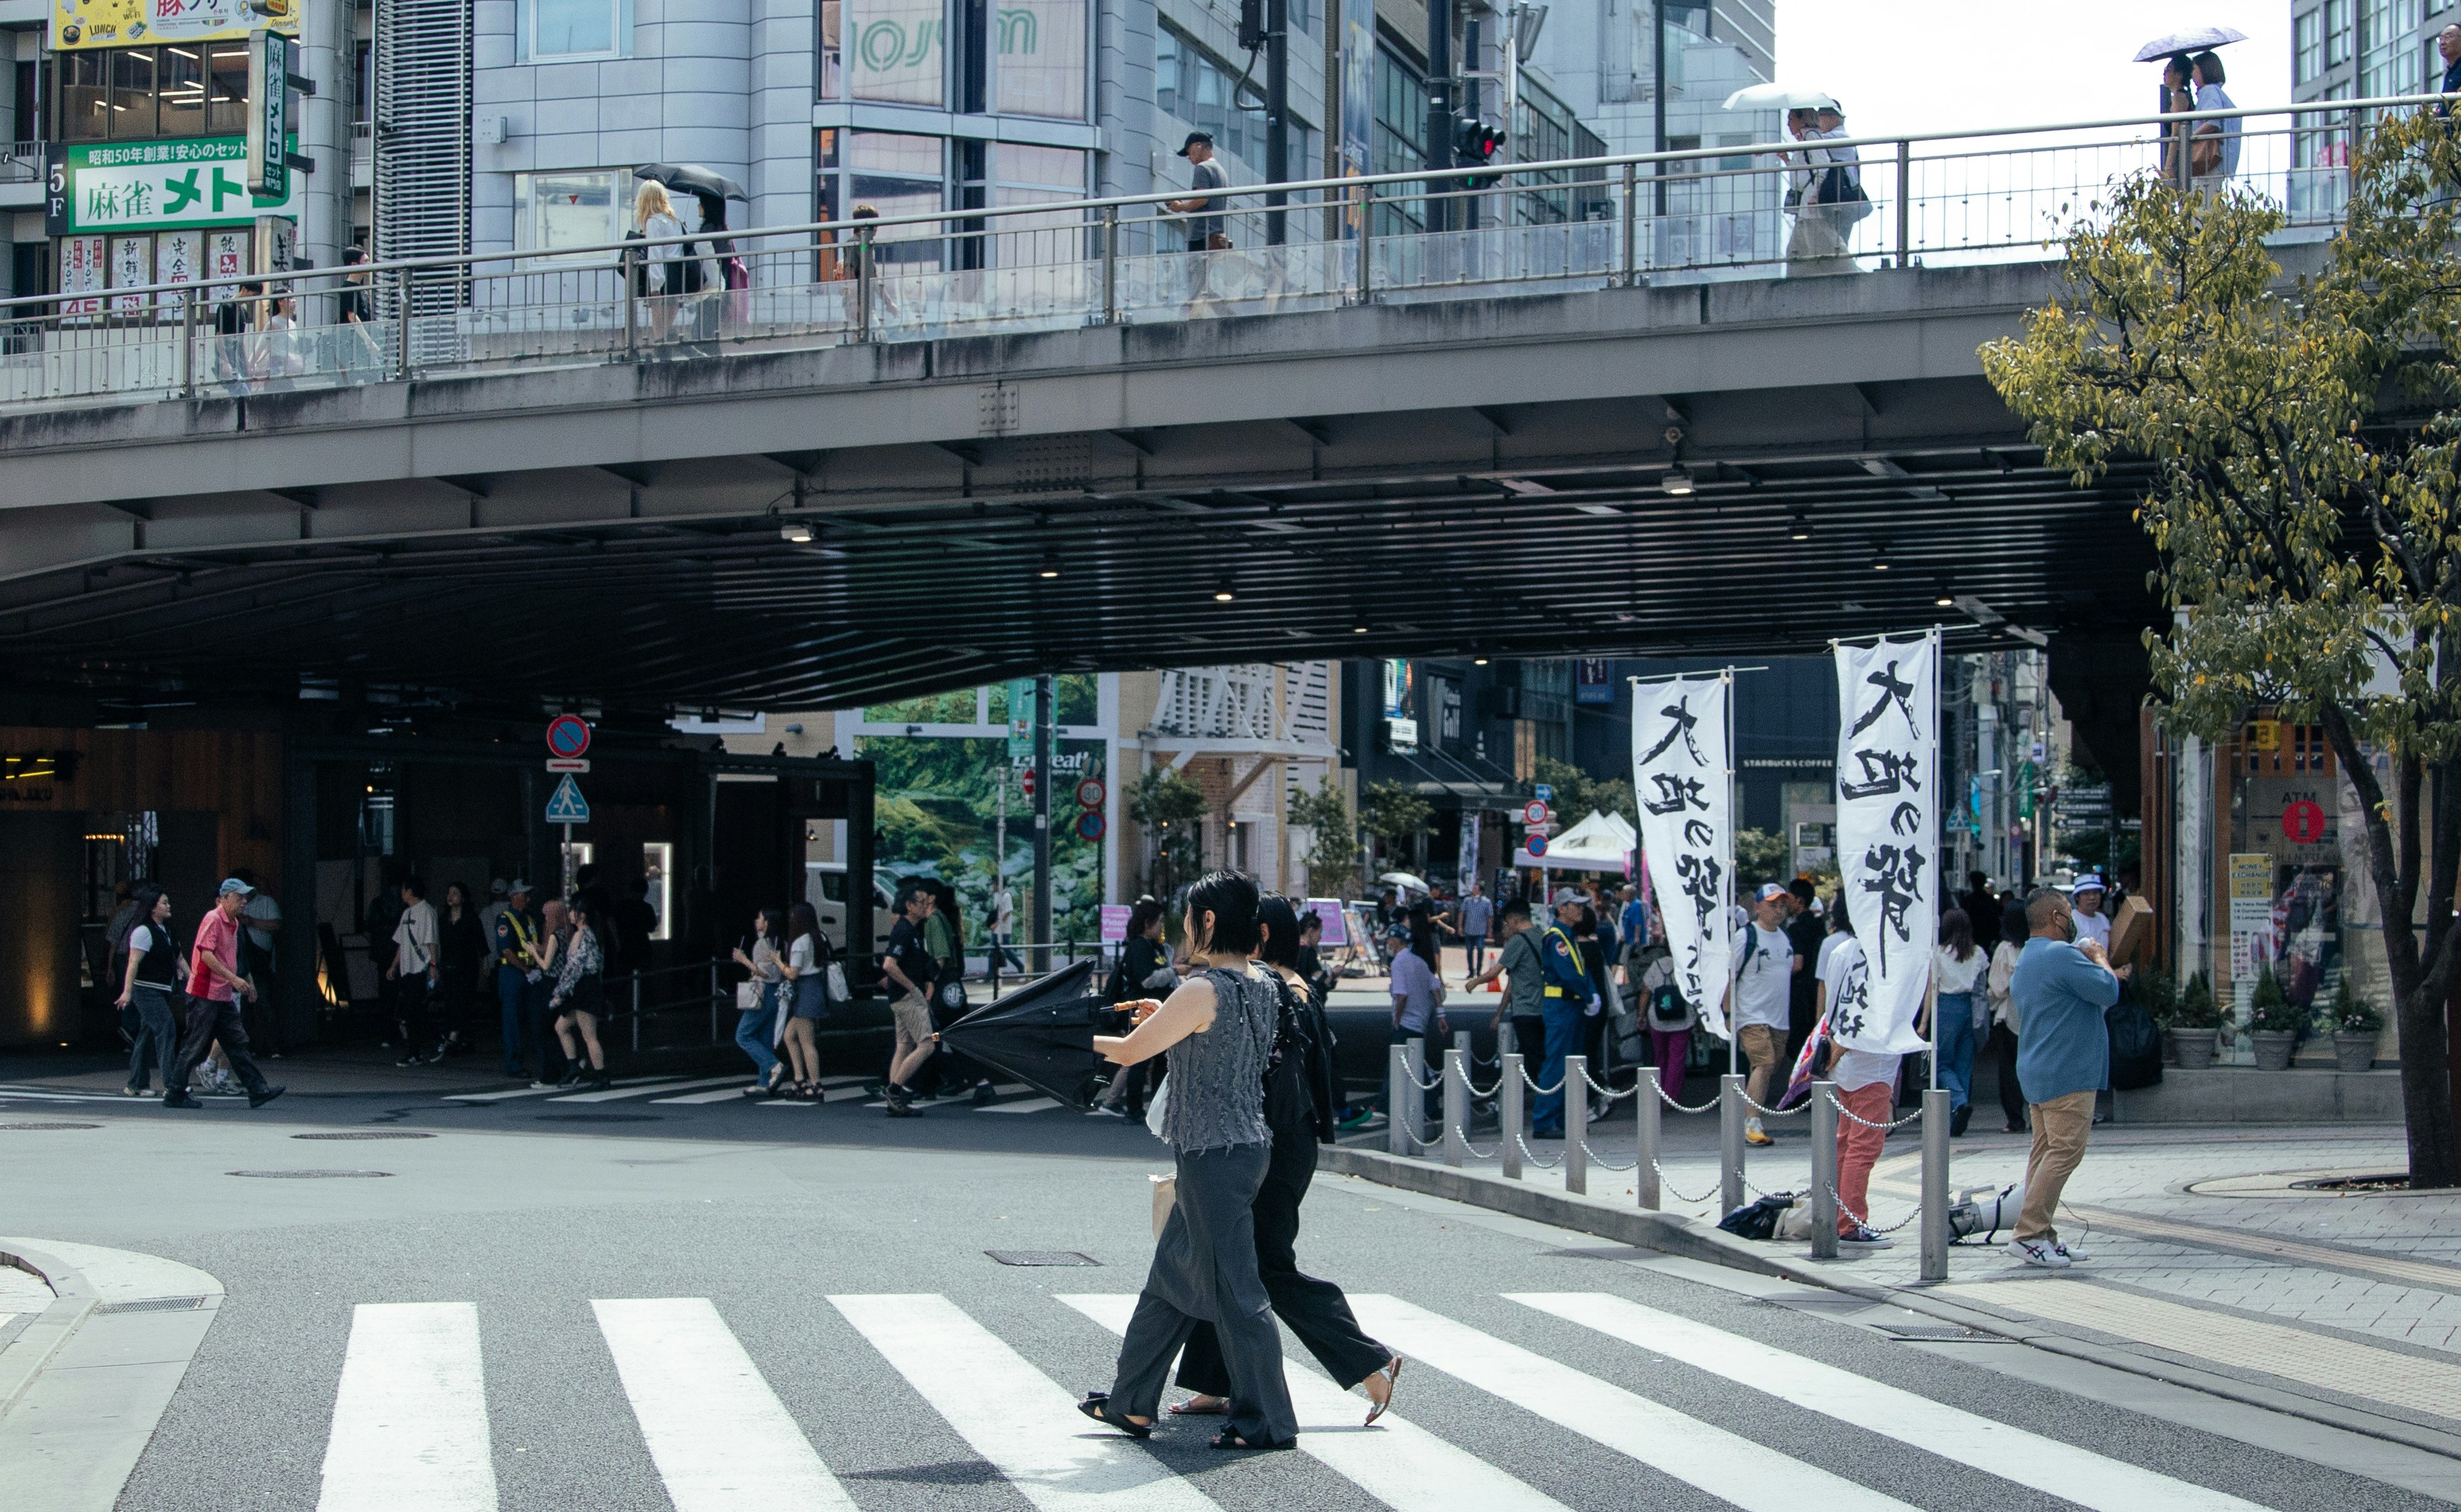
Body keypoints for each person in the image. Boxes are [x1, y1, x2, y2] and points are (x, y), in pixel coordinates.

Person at [1079, 870, 1299, 1453]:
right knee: (1170, 1278)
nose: (1183, 926)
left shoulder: (1201, 989)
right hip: (1241, 1147)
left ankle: (1268, 1421)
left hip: (1213, 1155)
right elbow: (1217, 1040)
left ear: (1206, 921)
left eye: (1189, 916)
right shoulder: (1262, 982)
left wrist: (1078, 1037)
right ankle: (1129, 1403)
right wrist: (1166, 1011)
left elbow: (1129, 1050)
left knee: (1236, 1290)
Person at [1171, 896, 1402, 1425]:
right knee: (1226, 1257)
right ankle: (1211, 1382)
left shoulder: (1271, 990)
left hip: (1269, 1143)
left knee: (1264, 1265)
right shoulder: (1290, 985)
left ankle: (1367, 1359)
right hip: (1282, 1140)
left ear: (1262, 932)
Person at [2007, 886, 2122, 1267]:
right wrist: (2099, 956)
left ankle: (2043, 1233)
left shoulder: (2029, 956)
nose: (2072, 919)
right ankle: (2029, 1232)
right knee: (2064, 1153)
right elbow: (2108, 990)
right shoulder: (2060, 955)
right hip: (2067, 1071)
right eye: (2069, 912)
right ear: (2057, 917)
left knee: (2044, 1151)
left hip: (2039, 1068)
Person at [1814, 896, 1896, 1249]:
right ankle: (1849, 1222)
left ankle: (1838, 1215)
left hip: (1844, 1059)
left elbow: (1833, 1000)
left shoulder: (1841, 949)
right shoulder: (1884, 954)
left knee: (1846, 1143)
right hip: (1871, 1059)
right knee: (1864, 1146)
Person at [164, 879, 284, 1110]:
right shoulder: (213, 919)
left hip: (221, 993)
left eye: (245, 897)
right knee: (195, 1044)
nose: (244, 902)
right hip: (205, 993)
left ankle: (257, 1089)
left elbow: (236, 959)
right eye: (240, 897)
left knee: (237, 1042)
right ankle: (175, 1091)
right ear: (226, 897)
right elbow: (207, 956)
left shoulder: (234, 923)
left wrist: (247, 982)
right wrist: (235, 980)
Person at [1093, 898, 1174, 1118]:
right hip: (1140, 1010)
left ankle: (1140, 1107)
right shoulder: (1139, 947)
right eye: (1159, 922)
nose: (1162, 927)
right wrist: (1175, 971)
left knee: (1153, 1060)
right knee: (1139, 1060)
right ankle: (1134, 1109)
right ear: (1148, 924)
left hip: (1153, 1009)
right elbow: (1148, 979)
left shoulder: (1154, 947)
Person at [1732, 883, 1799, 1148]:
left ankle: (1748, 1109)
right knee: (1765, 1063)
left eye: (1782, 905)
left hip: (1778, 1018)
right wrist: (1727, 1013)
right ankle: (1752, 1123)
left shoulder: (1784, 937)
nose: (1779, 910)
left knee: (1769, 1067)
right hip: (1751, 1014)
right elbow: (1729, 976)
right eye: (1772, 905)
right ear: (1757, 907)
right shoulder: (1746, 936)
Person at [1529, 890, 1598, 1139]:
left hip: (1571, 1006)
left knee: (1572, 1064)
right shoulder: (1557, 938)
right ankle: (1545, 1121)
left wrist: (1590, 992)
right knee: (1557, 1064)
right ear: (1561, 909)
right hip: (1561, 1007)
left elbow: (1580, 971)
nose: (1580, 909)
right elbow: (1569, 974)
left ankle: (1561, 1118)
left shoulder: (1568, 937)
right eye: (1575, 905)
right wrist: (1590, 996)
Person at [878, 880, 940, 1116]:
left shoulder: (909, 930)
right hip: (907, 997)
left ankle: (894, 1099)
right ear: (909, 905)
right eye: (921, 902)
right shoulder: (905, 931)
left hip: (899, 998)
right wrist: (913, 988)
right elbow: (889, 964)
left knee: (904, 1045)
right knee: (928, 1044)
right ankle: (895, 1090)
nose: (926, 906)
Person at [116, 884, 182, 1097]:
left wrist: (192, 979)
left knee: (146, 1034)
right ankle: (172, 1084)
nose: (169, 905)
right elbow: (133, 963)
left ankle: (136, 1084)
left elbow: (179, 958)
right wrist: (127, 992)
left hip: (162, 989)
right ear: (153, 908)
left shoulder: (167, 930)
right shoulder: (143, 931)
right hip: (146, 990)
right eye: (164, 902)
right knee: (167, 1027)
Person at [1388, 910, 1449, 1132]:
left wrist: (1397, 1019)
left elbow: (1401, 995)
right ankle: (1430, 1105)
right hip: (1420, 1023)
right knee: (1417, 1064)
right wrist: (1440, 1016)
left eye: (1389, 939)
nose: (1387, 942)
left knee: (1398, 1066)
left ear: (1395, 941)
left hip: (1406, 1024)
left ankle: (1386, 1104)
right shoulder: (1420, 962)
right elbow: (1435, 988)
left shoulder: (1398, 963)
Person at [1465, 898, 1544, 1068]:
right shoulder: (1543, 936)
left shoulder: (1518, 941)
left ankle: (1529, 1091)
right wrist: (1499, 1013)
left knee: (1529, 1057)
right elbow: (1512, 984)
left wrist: (1474, 983)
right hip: (1544, 1009)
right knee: (1536, 1053)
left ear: (1515, 919)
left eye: (1507, 923)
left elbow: (1496, 972)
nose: (1505, 928)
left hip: (1525, 1009)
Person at [1931, 907, 1986, 1137]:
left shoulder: (1939, 953)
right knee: (1964, 1063)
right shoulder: (1978, 953)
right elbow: (1982, 985)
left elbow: (1933, 987)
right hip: (1969, 1007)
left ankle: (1959, 1101)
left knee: (1942, 1062)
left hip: (1946, 1006)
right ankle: (1955, 1120)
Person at [548, 896, 612, 1091]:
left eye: (573, 911)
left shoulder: (582, 935)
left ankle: (601, 1075)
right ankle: (574, 1066)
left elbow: (573, 969)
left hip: (584, 989)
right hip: (586, 988)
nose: (570, 915)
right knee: (561, 1027)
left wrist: (559, 993)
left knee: (589, 1035)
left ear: (582, 915)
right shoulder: (590, 935)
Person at [1780, 108, 1849, 277]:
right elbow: (1801, 174)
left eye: (1791, 119)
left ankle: (1847, 272)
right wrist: (1787, 160)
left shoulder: (1811, 136)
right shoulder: (1804, 139)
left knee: (1820, 244)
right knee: (1800, 247)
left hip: (1811, 202)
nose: (1788, 123)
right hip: (1806, 202)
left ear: (1801, 119)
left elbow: (1823, 166)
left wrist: (1815, 194)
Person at [1632, 916, 1692, 1105]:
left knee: (1660, 1057)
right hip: (1683, 1018)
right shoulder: (1688, 966)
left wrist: (1641, 1016)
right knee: (1677, 1058)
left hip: (1658, 1018)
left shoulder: (1656, 966)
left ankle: (1658, 1095)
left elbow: (1645, 993)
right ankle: (1671, 1097)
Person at [731, 906, 790, 1097]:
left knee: (743, 1035)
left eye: (760, 918)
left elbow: (766, 973)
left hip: (763, 993)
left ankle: (774, 1066)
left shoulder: (762, 944)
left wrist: (744, 961)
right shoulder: (782, 942)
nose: (757, 921)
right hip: (777, 995)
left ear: (766, 924)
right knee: (765, 1038)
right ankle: (764, 1082)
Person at [1985, 896, 2030, 1134]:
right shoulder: (2040, 947)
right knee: (2033, 1067)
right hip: (2035, 1016)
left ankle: (2015, 1120)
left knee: (2009, 1071)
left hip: (2008, 1015)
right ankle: (2037, 1116)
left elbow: (1998, 986)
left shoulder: (2005, 950)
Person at [778, 900, 830, 1098]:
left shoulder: (800, 942)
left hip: (805, 991)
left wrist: (778, 962)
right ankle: (799, 1079)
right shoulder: (817, 938)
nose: (790, 920)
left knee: (807, 1042)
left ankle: (816, 1084)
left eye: (793, 917)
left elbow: (792, 973)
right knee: (789, 1036)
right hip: (814, 988)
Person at [388, 875, 441, 1067]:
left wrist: (433, 967)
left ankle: (417, 1051)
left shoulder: (427, 911)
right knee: (413, 1011)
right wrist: (394, 966)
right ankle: (434, 1041)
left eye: (403, 890)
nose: (402, 893)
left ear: (410, 892)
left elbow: (431, 941)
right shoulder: (407, 913)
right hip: (407, 969)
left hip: (422, 967)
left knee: (414, 1010)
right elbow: (403, 942)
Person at [493, 880, 542, 1081]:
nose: (528, 898)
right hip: (513, 974)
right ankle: (514, 1065)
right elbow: (507, 951)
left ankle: (545, 1060)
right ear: (514, 897)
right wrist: (527, 970)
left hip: (530, 972)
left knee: (536, 1017)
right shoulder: (505, 920)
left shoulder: (529, 918)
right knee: (512, 1021)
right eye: (525, 894)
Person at [630, 180, 686, 341]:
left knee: (659, 328)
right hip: (677, 273)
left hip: (663, 274)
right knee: (668, 324)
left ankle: (661, 349)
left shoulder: (654, 222)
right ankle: (673, 342)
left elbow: (655, 255)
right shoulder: (674, 221)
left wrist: (655, 286)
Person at [1166, 131, 1232, 256]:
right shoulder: (1220, 170)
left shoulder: (1202, 168)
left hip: (1201, 236)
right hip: (1216, 237)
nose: (1189, 157)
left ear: (1198, 146)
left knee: (1196, 274)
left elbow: (1202, 199)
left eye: (1189, 152)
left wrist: (1181, 207)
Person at [1783, 878, 1826, 1065]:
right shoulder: (1820, 926)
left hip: (1800, 992)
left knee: (1797, 1043)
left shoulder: (1796, 928)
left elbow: (1797, 963)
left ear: (1800, 901)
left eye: (1789, 898)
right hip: (1818, 988)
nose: (1786, 903)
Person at [2189, 51, 2239, 191]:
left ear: (2204, 70)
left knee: (2203, 206)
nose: (2192, 75)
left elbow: (2213, 122)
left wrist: (2190, 137)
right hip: (2217, 161)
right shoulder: (2216, 91)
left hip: (2209, 161)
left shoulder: (2209, 91)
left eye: (2194, 69)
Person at [612, 874, 659, 978]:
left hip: (625, 945)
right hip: (642, 946)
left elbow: (614, 925)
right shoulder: (647, 908)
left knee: (624, 980)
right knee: (643, 979)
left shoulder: (621, 906)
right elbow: (652, 928)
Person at [2067, 874, 2112, 952]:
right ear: (2077, 897)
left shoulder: (2103, 919)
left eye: (2095, 893)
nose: (2092, 898)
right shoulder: (2072, 919)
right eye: (2086, 894)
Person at [989, 877, 1024, 974]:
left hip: (1004, 929)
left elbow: (1007, 913)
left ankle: (1021, 967)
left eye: (994, 885)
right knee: (992, 951)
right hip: (996, 929)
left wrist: (996, 924)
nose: (993, 887)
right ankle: (990, 974)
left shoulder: (1007, 896)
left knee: (1007, 952)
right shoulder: (996, 896)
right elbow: (997, 911)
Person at [1458, 881, 1493, 975]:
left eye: (1476, 889)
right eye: (1473, 889)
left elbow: (1489, 917)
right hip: (1469, 930)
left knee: (1480, 949)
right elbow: (1462, 913)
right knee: (1469, 951)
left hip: (1480, 931)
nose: (1473, 890)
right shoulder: (1467, 901)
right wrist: (1460, 926)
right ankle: (1471, 971)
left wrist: (1490, 930)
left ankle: (1479, 970)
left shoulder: (1487, 902)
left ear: (1481, 892)